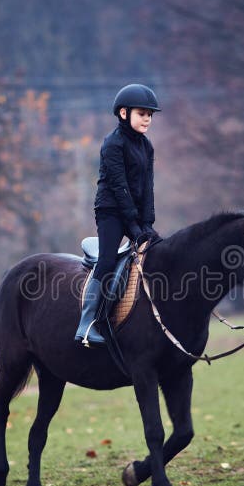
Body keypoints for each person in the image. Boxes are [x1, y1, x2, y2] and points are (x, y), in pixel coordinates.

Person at [74, 83, 161, 346]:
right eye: (142, 113)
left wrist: (147, 223)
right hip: (111, 211)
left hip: (135, 215)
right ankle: (87, 324)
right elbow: (120, 187)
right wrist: (133, 224)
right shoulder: (112, 144)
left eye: (150, 114)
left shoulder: (146, 147)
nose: (147, 118)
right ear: (124, 113)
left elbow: (147, 187)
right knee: (108, 261)